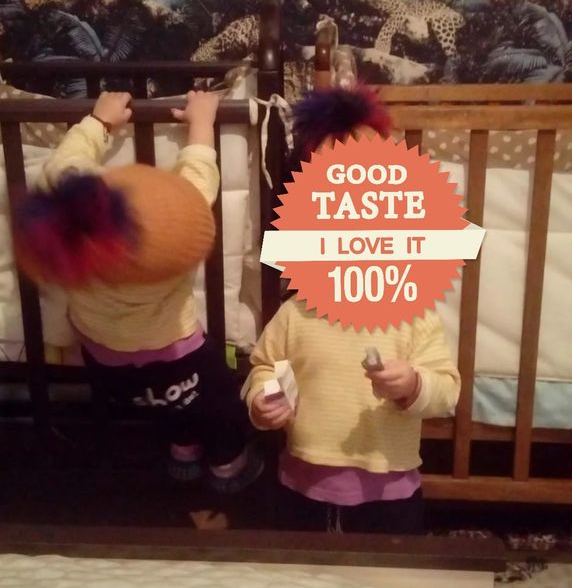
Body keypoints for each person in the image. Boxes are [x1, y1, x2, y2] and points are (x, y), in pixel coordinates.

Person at [15, 90, 262, 493]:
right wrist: (202, 122)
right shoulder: (178, 231)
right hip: (176, 352)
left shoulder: (78, 234)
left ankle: (183, 451)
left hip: (103, 353)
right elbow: (199, 175)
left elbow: (63, 167)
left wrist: (99, 122)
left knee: (161, 405)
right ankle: (227, 466)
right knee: (215, 404)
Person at [242, 86, 461, 533]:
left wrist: (414, 384)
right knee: (298, 568)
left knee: (387, 570)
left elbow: (447, 390)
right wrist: (262, 400)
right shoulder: (296, 312)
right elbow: (264, 365)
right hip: (300, 487)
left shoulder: (414, 313)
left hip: (390, 495)